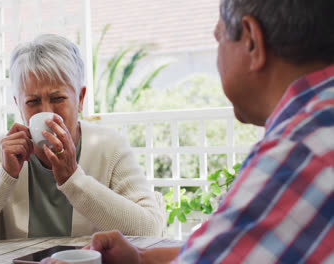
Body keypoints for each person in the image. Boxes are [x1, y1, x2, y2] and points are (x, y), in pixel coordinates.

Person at [41, 0, 334, 263]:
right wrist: (141, 258)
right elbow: (227, 249)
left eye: (218, 39)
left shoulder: (300, 152)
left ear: (252, 42)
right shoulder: (318, 122)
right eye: (32, 101)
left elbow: (154, 228)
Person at [0, 34, 164, 245]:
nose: (46, 112)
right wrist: (5, 177)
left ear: (81, 98)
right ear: (18, 104)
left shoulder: (108, 147)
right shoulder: (0, 153)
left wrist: (73, 180)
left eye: (58, 98)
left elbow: (150, 231)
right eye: (32, 101)